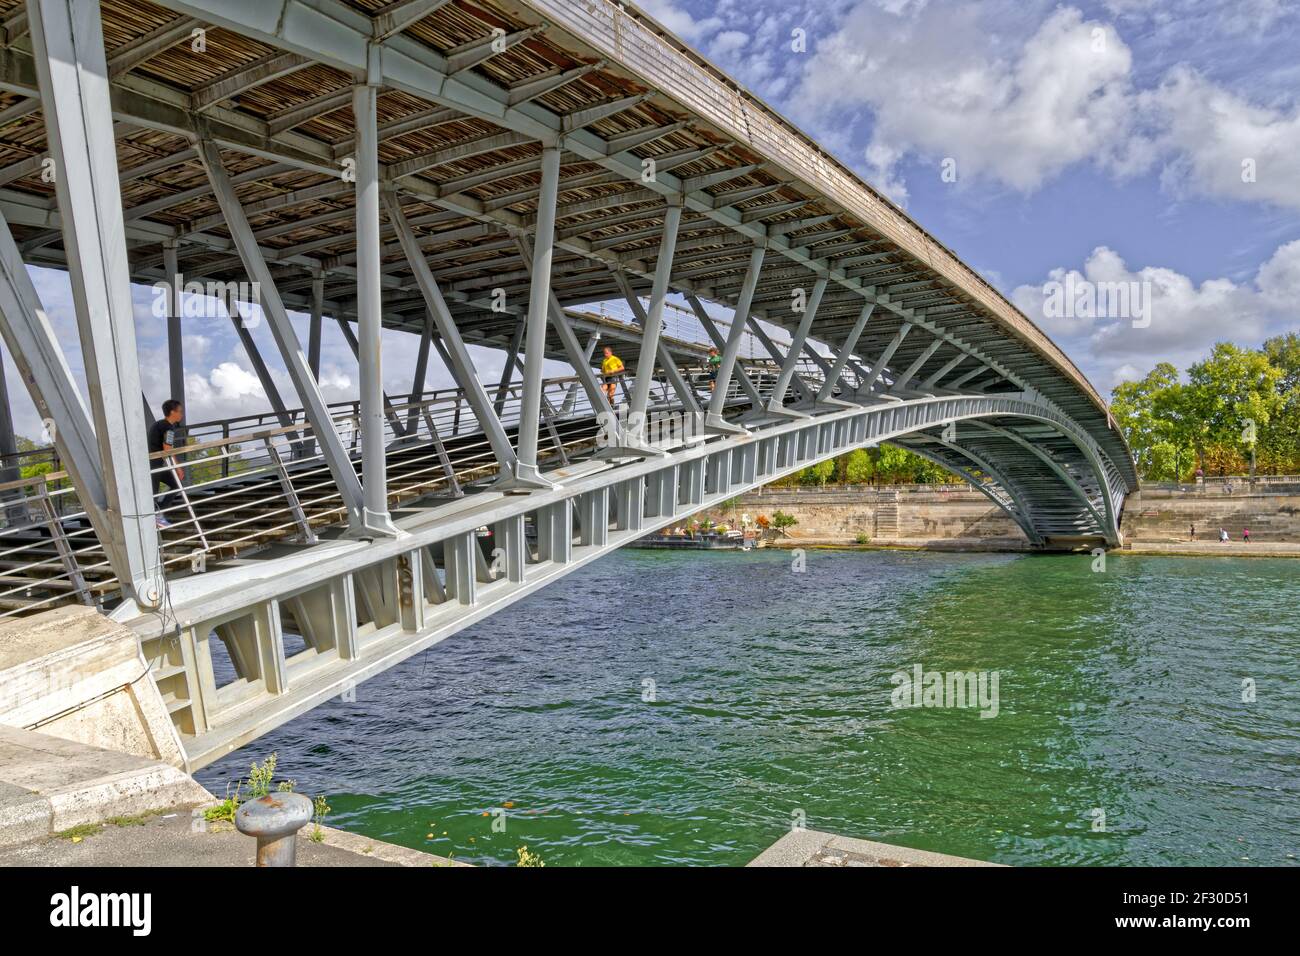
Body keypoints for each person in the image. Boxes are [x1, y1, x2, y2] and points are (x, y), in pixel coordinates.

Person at [148, 399, 185, 529]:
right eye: (179, 411)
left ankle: (159, 513)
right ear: (172, 412)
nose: (182, 414)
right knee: (171, 485)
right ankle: (156, 517)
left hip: (153, 464)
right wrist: (178, 468)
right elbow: (167, 448)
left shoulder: (157, 424)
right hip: (154, 466)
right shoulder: (168, 428)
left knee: (175, 484)